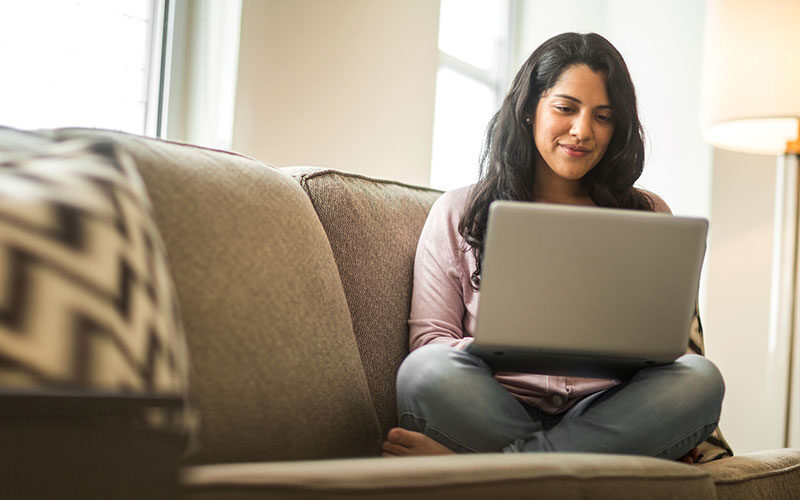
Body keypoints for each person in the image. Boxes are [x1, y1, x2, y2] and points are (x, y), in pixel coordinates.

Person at [381, 32, 724, 463]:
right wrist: (498, 345)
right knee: (424, 371)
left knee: (699, 379)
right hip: (495, 405)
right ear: (530, 110)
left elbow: (668, 351)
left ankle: (495, 475)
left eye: (603, 117)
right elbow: (430, 341)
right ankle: (558, 471)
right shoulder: (460, 211)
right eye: (566, 108)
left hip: (607, 412)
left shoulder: (648, 213)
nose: (582, 131)